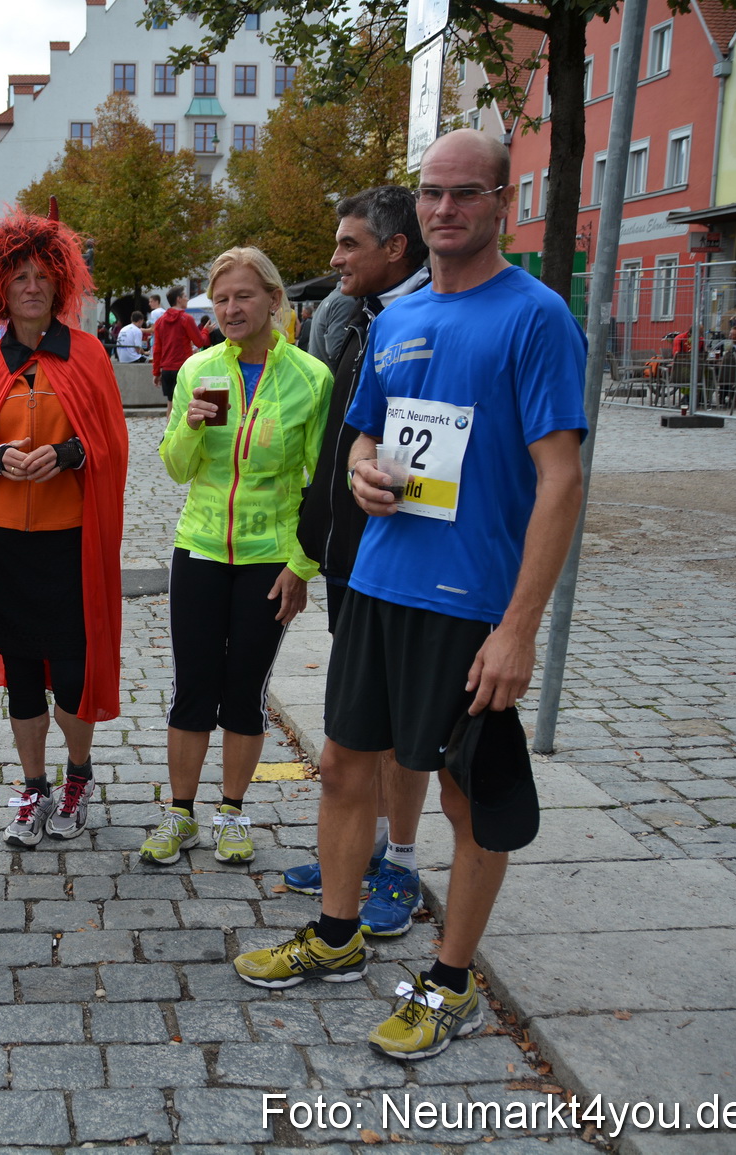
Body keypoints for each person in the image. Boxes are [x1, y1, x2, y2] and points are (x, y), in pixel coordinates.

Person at [232, 130, 587, 1063]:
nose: (444, 209)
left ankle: (453, 978)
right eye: (432, 192)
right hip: (379, 583)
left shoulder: (537, 315)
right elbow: (361, 437)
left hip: (470, 602)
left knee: (470, 798)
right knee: (348, 769)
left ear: (502, 202)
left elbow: (561, 479)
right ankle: (338, 933)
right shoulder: (399, 315)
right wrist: (358, 472)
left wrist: (519, 629)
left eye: (465, 193)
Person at [0, 205, 129, 847]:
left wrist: (70, 453)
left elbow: (109, 441)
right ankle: (34, 787)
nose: (29, 285)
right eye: (17, 275)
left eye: (40, 275)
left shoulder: (89, 356)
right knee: (21, 669)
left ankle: (77, 777)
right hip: (3, 544)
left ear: (59, 283)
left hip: (68, 541)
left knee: (73, 668)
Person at [143, 247, 331, 867]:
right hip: (198, 550)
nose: (230, 309)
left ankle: (231, 811)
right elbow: (174, 468)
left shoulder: (310, 379)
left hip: (267, 559)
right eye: (221, 299)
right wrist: (190, 426)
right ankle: (179, 813)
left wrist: (301, 566)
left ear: (273, 301)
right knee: (192, 686)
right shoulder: (198, 370)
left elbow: (320, 483)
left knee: (244, 692)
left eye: (243, 296)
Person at [285, 185, 434, 936]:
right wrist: (309, 550)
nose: (336, 258)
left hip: (406, 561)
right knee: (364, 720)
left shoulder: (429, 320)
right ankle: (365, 844)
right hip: (351, 556)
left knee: (406, 728)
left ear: (395, 248)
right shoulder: (348, 320)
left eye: (350, 245)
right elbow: (333, 444)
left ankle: (401, 860)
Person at [152, 287, 204, 411]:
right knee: (184, 406)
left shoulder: (160, 321)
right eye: (185, 296)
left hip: (167, 370)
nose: (187, 299)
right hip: (183, 368)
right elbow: (200, 342)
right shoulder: (186, 319)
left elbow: (157, 349)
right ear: (178, 299)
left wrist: (156, 372)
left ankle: (169, 430)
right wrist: (206, 331)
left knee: (170, 404)